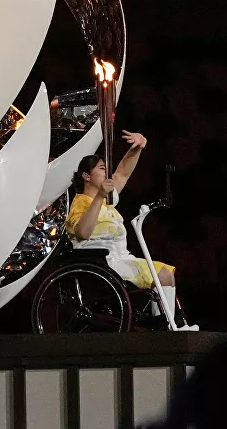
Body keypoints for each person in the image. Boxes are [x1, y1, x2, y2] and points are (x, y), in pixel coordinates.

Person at [65, 130, 197, 330]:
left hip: (122, 257)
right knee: (161, 276)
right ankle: (168, 327)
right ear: (86, 176)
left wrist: (137, 147)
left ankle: (169, 325)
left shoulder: (108, 199)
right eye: (102, 169)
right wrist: (99, 197)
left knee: (165, 275)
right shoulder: (81, 203)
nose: (107, 173)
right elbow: (82, 232)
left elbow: (123, 172)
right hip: (101, 263)